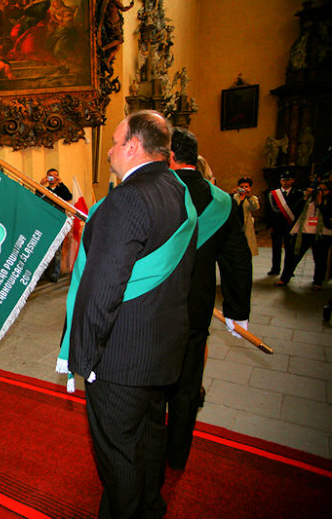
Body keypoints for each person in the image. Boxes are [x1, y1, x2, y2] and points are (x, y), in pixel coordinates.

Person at [60, 110, 197, 518]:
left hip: (122, 357)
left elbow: (103, 289)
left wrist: (83, 359)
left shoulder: (127, 199)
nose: (109, 152)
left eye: (116, 142)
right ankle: (150, 507)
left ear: (133, 146)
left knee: (118, 453)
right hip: (162, 351)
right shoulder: (177, 189)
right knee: (150, 438)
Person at [166, 127, 252, 471]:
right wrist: (237, 312)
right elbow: (238, 259)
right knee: (187, 386)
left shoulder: (151, 192)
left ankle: (153, 453)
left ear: (169, 155)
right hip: (196, 311)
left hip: (153, 312)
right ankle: (177, 457)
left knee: (153, 387)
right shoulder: (222, 201)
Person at [276, 179, 332, 291]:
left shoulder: (329, 201)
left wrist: (320, 202)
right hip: (304, 231)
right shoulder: (308, 200)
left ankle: (318, 281)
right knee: (294, 255)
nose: (321, 191)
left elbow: (328, 214)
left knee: (321, 258)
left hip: (322, 233)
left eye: (324, 190)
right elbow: (295, 211)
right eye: (319, 189)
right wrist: (306, 197)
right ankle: (285, 278)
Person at [267, 171, 304, 277]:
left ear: (292, 181)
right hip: (277, 225)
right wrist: (270, 225)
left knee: (290, 249)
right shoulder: (274, 194)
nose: (285, 182)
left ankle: (288, 270)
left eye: (288, 180)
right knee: (276, 248)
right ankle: (275, 268)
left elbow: (299, 210)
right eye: (283, 180)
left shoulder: (298, 194)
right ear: (280, 181)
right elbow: (269, 211)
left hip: (290, 225)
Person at [39, 168, 73, 282]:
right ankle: (42, 274)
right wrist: (40, 184)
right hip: (47, 223)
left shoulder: (61, 189)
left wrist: (61, 182)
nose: (52, 178)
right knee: (44, 249)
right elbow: (37, 198)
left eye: (55, 176)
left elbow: (68, 197)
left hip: (58, 222)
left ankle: (55, 274)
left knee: (57, 251)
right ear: (47, 177)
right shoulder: (45, 189)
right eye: (50, 175)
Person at [231, 176, 260, 256]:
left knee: (246, 248)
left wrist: (250, 196)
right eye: (241, 187)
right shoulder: (234, 196)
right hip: (235, 224)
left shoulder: (252, 198)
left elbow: (254, 208)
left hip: (246, 224)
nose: (243, 188)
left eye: (246, 187)